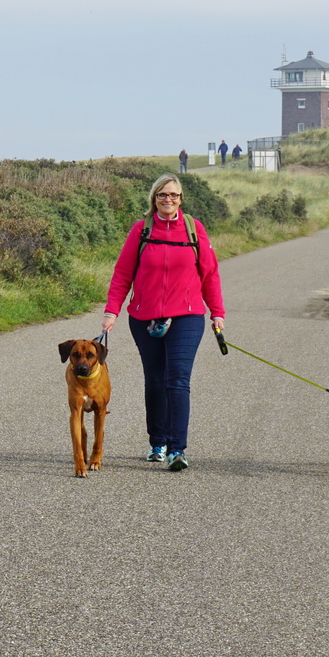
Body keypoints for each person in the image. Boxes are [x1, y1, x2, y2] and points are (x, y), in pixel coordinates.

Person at [102, 174, 225, 472]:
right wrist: (112, 311)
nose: (167, 200)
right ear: (154, 199)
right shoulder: (141, 230)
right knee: (155, 381)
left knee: (177, 381)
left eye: (173, 195)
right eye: (162, 195)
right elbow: (122, 274)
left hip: (187, 315)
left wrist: (217, 313)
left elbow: (210, 274)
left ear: (181, 199)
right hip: (144, 317)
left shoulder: (194, 230)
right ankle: (156, 442)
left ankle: (176, 449)